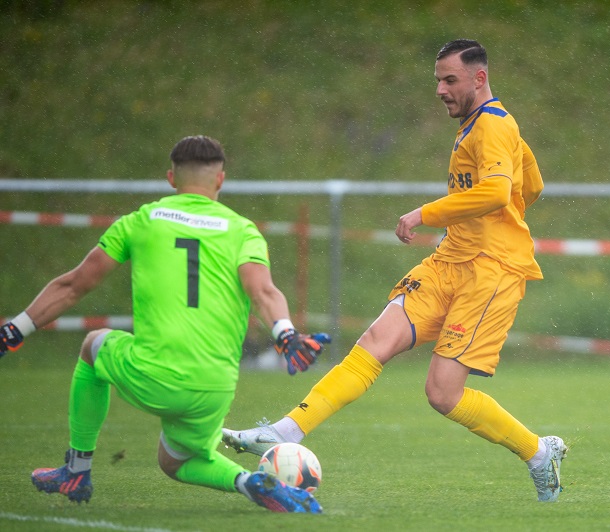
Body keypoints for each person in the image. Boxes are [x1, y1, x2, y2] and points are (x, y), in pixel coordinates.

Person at [222, 39, 568, 502]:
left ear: (479, 78)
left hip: (491, 271)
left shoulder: (493, 125)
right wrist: (496, 211)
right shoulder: (486, 125)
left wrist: (427, 214)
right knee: (374, 341)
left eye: (450, 80)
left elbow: (497, 193)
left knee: (442, 394)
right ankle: (285, 431)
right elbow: (533, 185)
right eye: (438, 80)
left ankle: (538, 453)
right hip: (451, 259)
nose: (440, 90)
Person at [0, 135, 326, 513]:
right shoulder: (241, 230)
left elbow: (74, 286)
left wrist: (15, 329)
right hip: (214, 387)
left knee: (93, 345)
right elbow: (263, 292)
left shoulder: (142, 221)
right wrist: (286, 335)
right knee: (177, 461)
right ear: (220, 180)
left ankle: (76, 470)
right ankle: (247, 481)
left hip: (154, 373)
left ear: (171, 178)